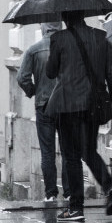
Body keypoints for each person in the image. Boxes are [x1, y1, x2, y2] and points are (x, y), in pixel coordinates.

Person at [45, 10, 112, 222]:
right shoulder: (101, 37)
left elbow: (50, 72)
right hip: (92, 105)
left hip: (67, 105)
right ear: (84, 15)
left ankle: (76, 207)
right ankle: (110, 186)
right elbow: (111, 75)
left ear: (65, 18)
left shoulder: (59, 38)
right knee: (88, 151)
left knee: (71, 156)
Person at [16, 22, 67, 202]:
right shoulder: (68, 48)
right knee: (68, 150)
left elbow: (22, 77)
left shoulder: (33, 49)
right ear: (59, 28)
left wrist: (34, 90)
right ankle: (69, 192)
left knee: (47, 152)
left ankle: (51, 194)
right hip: (65, 105)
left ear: (44, 28)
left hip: (43, 104)